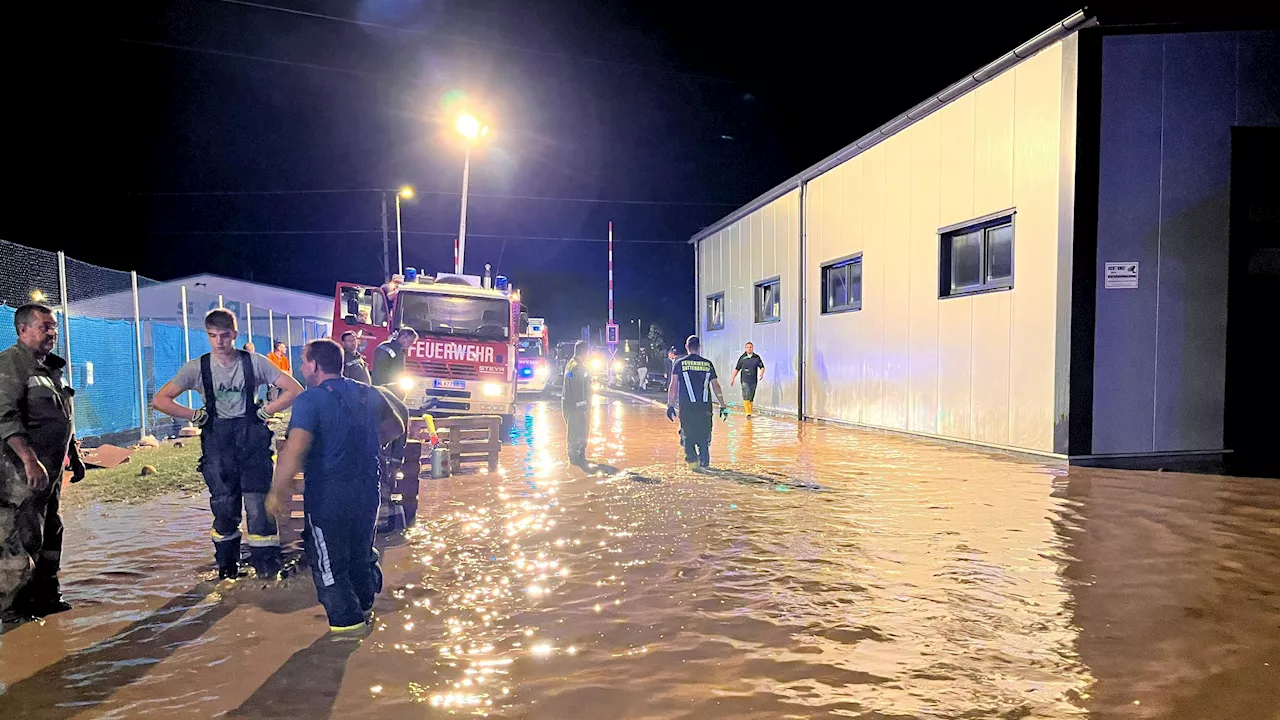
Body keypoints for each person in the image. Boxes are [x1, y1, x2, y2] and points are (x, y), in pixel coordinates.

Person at [266, 339, 406, 635]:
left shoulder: (309, 399)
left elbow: (296, 448)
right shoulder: (369, 392)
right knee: (358, 553)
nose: (302, 368)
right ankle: (366, 611)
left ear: (315, 365)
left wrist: (277, 491)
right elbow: (396, 427)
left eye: (304, 362)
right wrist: (360, 445)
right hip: (369, 491)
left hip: (329, 495)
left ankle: (346, 636)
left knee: (329, 565)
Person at [153, 309, 303, 580]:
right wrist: (193, 415)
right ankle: (227, 570)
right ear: (208, 336)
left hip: (253, 446)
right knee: (224, 507)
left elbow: (294, 389)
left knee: (259, 508)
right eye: (213, 336)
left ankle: (266, 571)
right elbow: (161, 399)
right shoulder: (197, 367)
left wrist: (268, 410)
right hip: (218, 447)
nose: (219, 342)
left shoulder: (255, 362)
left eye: (224, 335)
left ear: (235, 334)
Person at [0, 304, 86, 619]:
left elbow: (61, 417)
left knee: (52, 530)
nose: (51, 333)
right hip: (19, 475)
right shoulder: (11, 364)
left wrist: (73, 455)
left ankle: (47, 597)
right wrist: (28, 458)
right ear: (22, 330)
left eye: (53, 327)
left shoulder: (50, 368)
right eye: (44, 326)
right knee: (20, 538)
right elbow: (5, 417)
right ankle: (13, 611)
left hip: (49, 474)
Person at [666, 335, 728, 470]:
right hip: (705, 408)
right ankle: (705, 465)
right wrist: (723, 406)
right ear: (699, 347)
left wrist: (670, 405)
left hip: (687, 408)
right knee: (704, 439)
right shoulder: (708, 364)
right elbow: (716, 386)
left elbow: (673, 386)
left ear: (686, 347)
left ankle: (694, 468)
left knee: (688, 436)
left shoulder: (679, 363)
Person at [561, 341, 592, 469]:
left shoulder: (570, 365)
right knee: (580, 434)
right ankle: (578, 462)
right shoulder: (579, 368)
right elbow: (579, 390)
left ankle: (574, 462)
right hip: (577, 409)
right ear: (585, 352)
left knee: (573, 433)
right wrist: (584, 409)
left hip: (568, 406)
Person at [729, 342, 765, 418]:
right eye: (748, 347)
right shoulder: (742, 358)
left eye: (751, 347)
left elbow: (762, 367)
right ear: (745, 349)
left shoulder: (756, 357)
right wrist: (732, 378)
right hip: (745, 380)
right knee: (746, 394)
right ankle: (747, 413)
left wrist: (761, 373)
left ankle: (749, 412)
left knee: (751, 396)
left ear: (753, 348)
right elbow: (737, 369)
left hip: (753, 380)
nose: (749, 348)